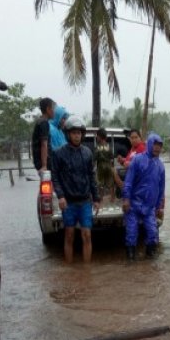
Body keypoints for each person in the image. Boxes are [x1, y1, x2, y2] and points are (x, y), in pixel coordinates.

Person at [51, 116, 101, 264]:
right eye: (74, 133)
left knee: (86, 235)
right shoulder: (58, 153)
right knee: (69, 235)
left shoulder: (87, 153)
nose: (77, 135)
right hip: (69, 202)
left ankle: (86, 272)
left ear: (82, 134)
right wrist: (60, 196)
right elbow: (55, 177)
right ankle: (69, 269)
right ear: (68, 134)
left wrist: (96, 199)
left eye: (79, 133)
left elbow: (92, 177)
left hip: (85, 201)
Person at [122, 133, 165, 260]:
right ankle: (130, 259)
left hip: (149, 207)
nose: (157, 148)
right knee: (131, 233)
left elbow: (161, 188)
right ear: (150, 144)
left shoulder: (160, 166)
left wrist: (159, 206)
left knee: (152, 233)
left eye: (160, 146)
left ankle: (149, 261)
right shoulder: (137, 159)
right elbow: (128, 181)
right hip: (133, 204)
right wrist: (126, 199)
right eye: (155, 145)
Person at [32, 97, 56, 174]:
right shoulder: (44, 123)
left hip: (41, 161)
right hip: (44, 163)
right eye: (53, 108)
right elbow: (44, 144)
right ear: (48, 109)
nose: (54, 111)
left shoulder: (40, 121)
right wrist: (44, 165)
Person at [94, 128, 116, 202]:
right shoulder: (109, 146)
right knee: (110, 183)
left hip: (100, 167)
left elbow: (95, 158)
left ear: (99, 137)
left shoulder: (97, 147)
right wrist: (112, 166)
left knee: (100, 183)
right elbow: (112, 156)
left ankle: (101, 198)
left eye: (97, 136)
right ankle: (112, 198)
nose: (97, 138)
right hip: (108, 166)